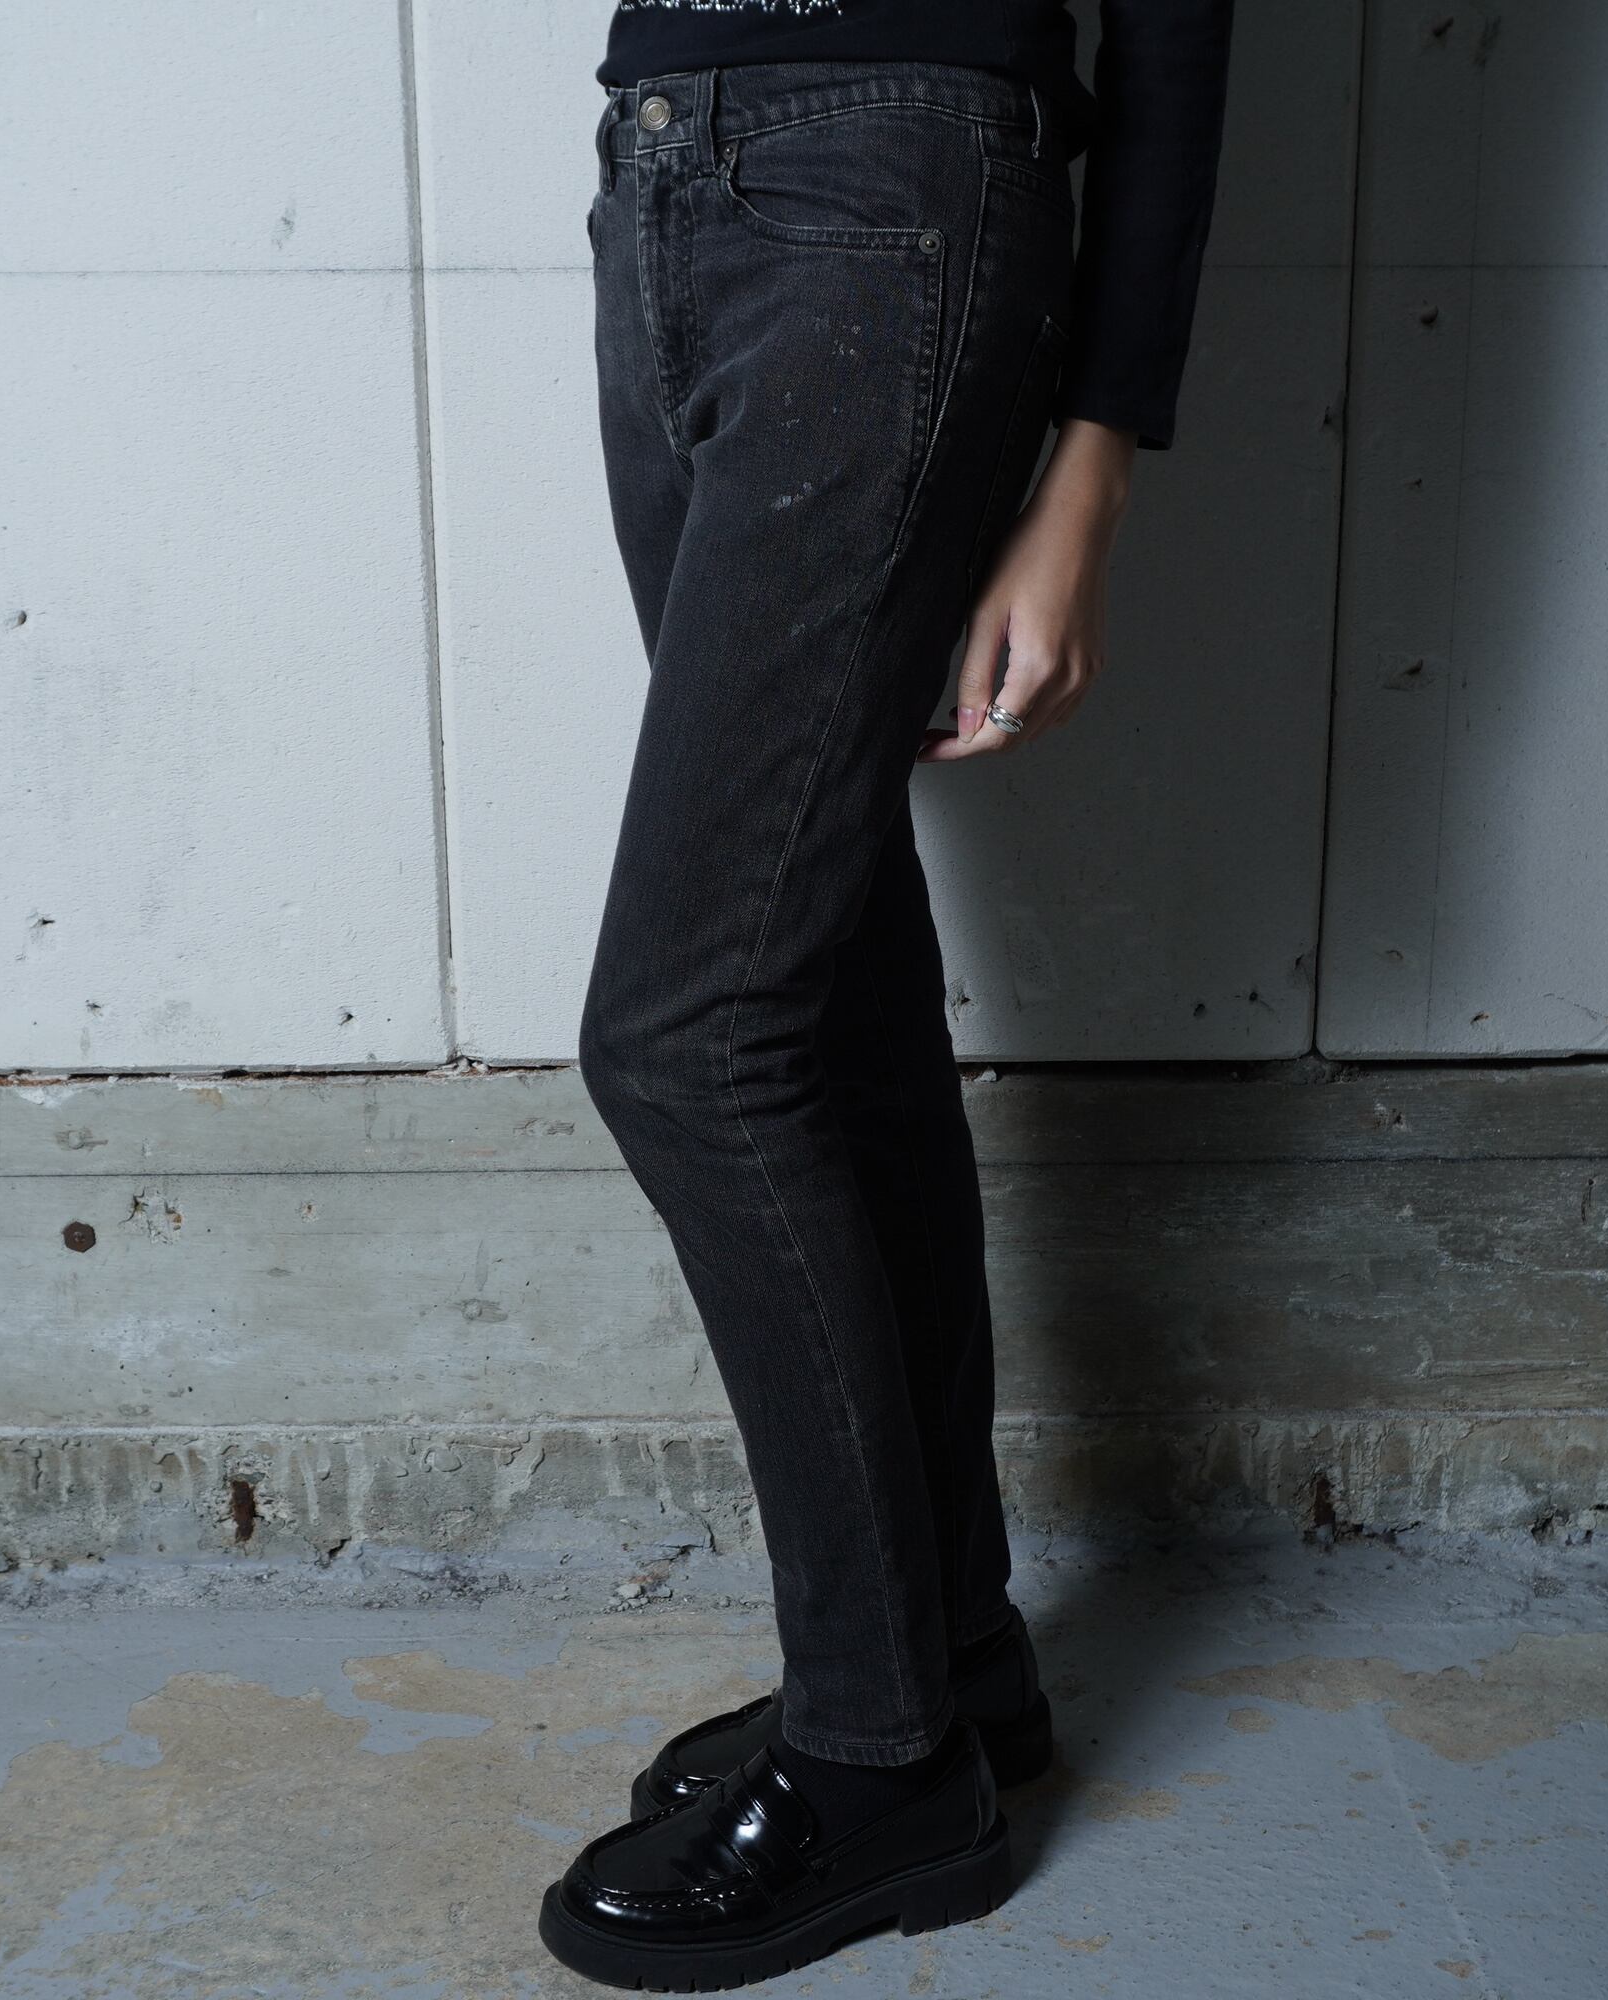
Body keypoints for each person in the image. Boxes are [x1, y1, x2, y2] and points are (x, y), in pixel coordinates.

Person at [539, 3, 1233, 1987]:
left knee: (687, 1036)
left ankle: (878, 1758)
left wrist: (1093, 468)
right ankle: (946, 1663)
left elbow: (1181, 23)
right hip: (664, 170)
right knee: (820, 979)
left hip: (889, 189)